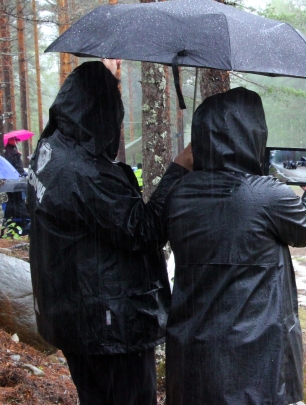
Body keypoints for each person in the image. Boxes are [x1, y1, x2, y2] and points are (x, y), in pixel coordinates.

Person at [28, 59, 193, 405]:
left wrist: (104, 76)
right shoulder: (84, 174)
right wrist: (178, 169)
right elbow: (143, 230)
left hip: (74, 319)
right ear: (102, 114)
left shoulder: (50, 150)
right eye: (113, 107)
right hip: (109, 326)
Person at [163, 87, 306, 405]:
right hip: (257, 366)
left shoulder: (179, 194)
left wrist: (178, 167)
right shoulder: (267, 194)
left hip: (192, 360)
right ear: (255, 136)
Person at [3, 137, 29, 234]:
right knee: (17, 201)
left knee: (16, 201)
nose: (16, 142)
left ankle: (17, 223)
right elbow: (12, 165)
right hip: (15, 181)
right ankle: (21, 221)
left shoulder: (12, 151)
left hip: (16, 180)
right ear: (9, 141)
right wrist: (17, 155)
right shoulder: (10, 153)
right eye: (14, 140)